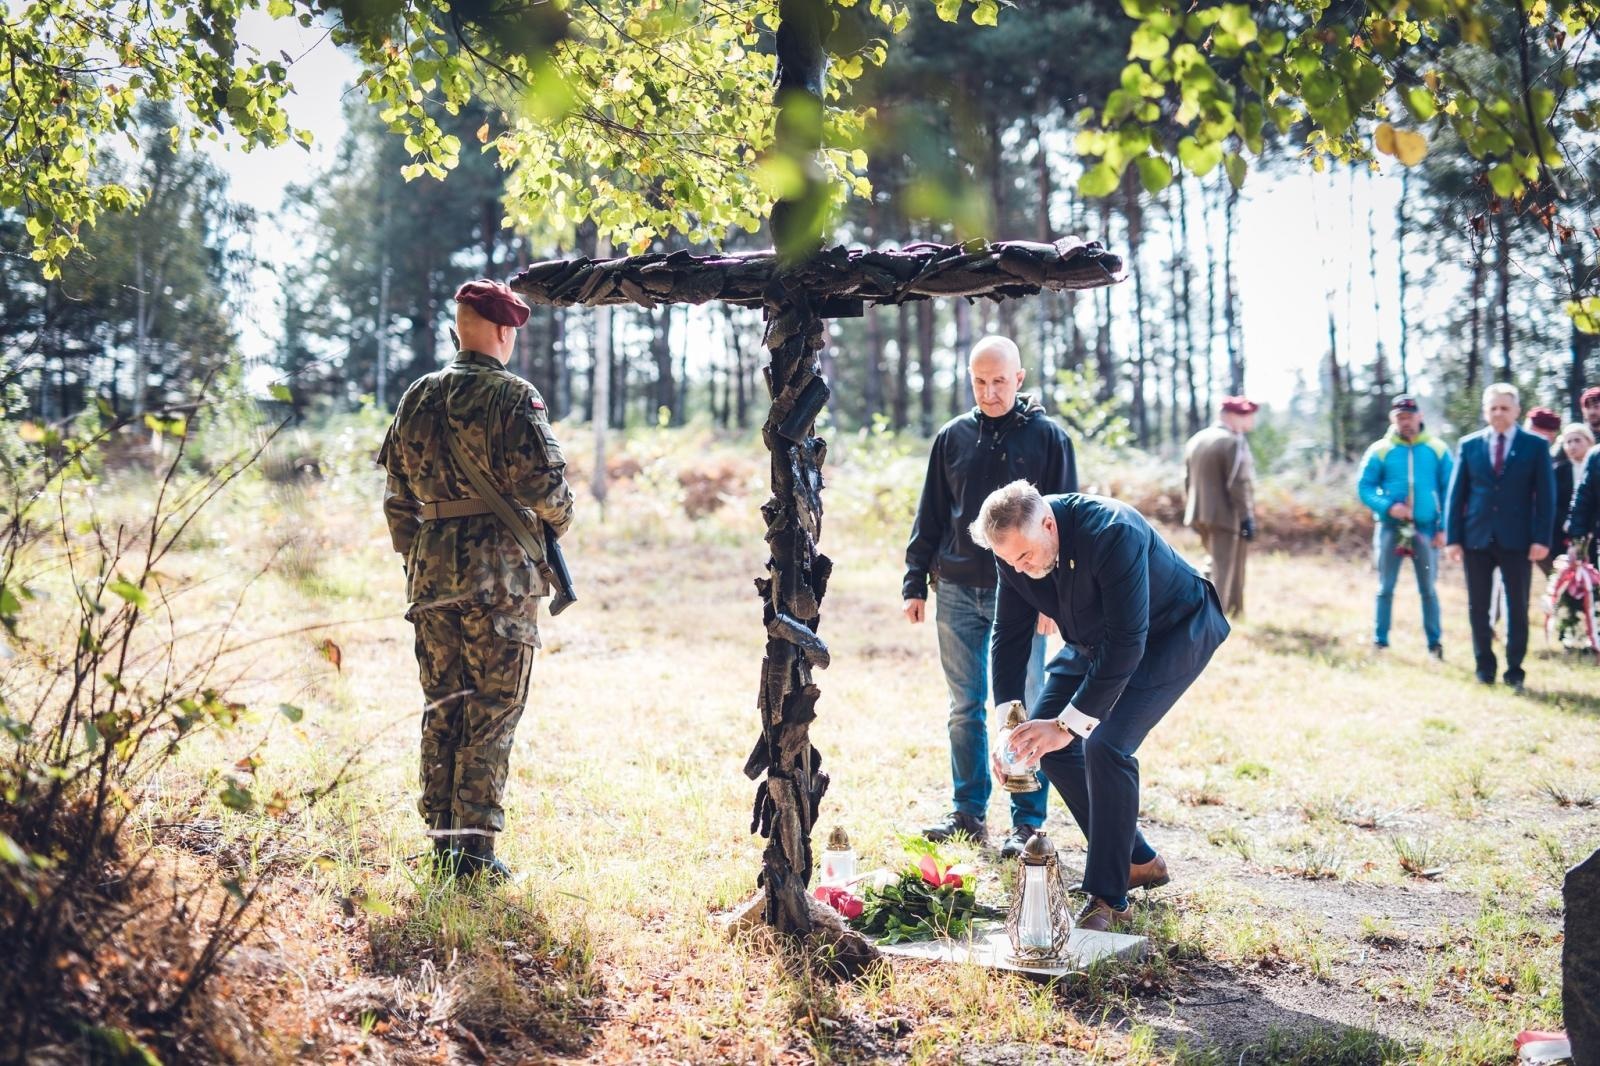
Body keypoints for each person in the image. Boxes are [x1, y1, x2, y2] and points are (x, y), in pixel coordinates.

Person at [377, 279, 575, 881]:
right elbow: (548, 492)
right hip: (501, 584)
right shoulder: (514, 398)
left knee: (444, 708)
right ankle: (476, 856)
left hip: (432, 581)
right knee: (491, 711)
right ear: (501, 330)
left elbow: (396, 499)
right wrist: (564, 518)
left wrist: (426, 559)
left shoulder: (418, 397)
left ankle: (442, 844)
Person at [975, 481, 1230, 931]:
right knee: (1044, 744)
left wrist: (1068, 726)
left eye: (1025, 556)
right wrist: (1008, 728)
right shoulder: (1016, 552)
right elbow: (1009, 636)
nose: (1020, 568)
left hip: (1171, 633)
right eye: (1009, 560)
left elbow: (1128, 643)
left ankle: (1110, 898)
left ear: (1048, 523)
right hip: (1095, 640)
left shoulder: (1114, 530)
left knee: (1107, 746)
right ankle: (1135, 860)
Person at [902, 336, 1078, 858]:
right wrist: (915, 580)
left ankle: (1026, 823)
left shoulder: (1050, 439)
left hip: (1024, 596)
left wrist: (1056, 601)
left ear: (1019, 379)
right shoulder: (951, 437)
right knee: (965, 706)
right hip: (956, 589)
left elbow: (1062, 523)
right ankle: (967, 812)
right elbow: (931, 513)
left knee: (1025, 708)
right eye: (979, 381)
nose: (989, 391)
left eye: (1000, 380)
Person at [1444, 383, 1556, 693]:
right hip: (1476, 537)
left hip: (1518, 539)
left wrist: (1541, 538)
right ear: (1485, 411)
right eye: (1492, 407)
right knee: (1478, 607)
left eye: (1504, 407)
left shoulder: (1534, 446)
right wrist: (1453, 538)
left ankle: (1514, 669)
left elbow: (1546, 497)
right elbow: (1457, 495)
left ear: (1517, 410)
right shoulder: (1469, 445)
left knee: (1517, 606)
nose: (1498, 413)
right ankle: (1484, 667)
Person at [1357, 395, 1452, 656]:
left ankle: (1434, 644)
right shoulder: (1380, 450)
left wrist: (1445, 528)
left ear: (1419, 417)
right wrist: (1388, 506)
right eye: (1400, 418)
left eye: (1409, 417)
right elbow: (1364, 487)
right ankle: (1380, 641)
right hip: (1390, 528)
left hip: (1427, 529)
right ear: (1393, 419)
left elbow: (1450, 490)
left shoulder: (1438, 449)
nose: (1405, 422)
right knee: (1385, 586)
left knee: (1429, 589)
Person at [1183, 397, 1258, 617]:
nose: (1251, 420)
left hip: (1199, 513)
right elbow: (1238, 483)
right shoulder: (1233, 442)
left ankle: (1232, 611)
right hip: (1226, 516)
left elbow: (1187, 480)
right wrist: (1247, 517)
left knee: (1213, 563)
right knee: (1222, 570)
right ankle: (1214, 619)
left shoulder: (1197, 439)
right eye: (1246, 415)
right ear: (1232, 415)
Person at [1554, 423, 1595, 564]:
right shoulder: (1558, 471)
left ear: (1590, 442)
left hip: (1593, 533)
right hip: (1563, 535)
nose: (1572, 445)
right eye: (1568, 442)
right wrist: (1566, 522)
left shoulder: (1595, 466)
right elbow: (1554, 503)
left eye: (1577, 440)